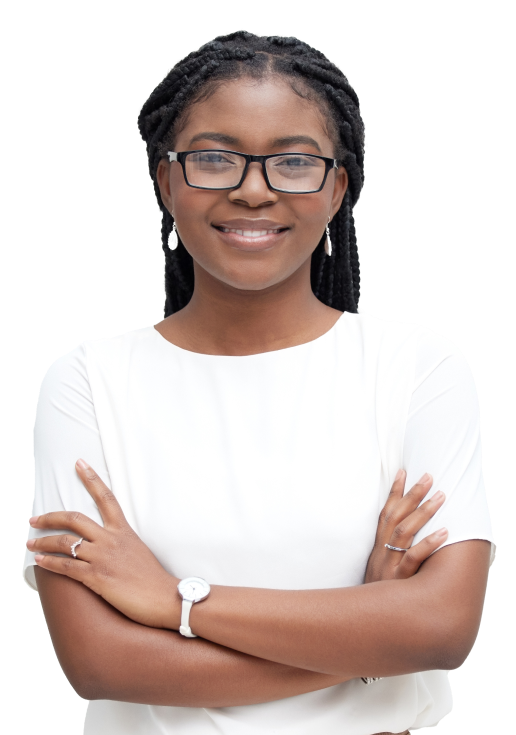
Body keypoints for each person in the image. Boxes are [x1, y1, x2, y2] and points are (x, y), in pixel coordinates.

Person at [23, 30, 496, 735]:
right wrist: (367, 638)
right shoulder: (88, 385)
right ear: (165, 180)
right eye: (215, 158)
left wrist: (175, 601)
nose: (252, 189)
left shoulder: (418, 369)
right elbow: (99, 662)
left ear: (339, 187)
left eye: (294, 162)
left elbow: (438, 629)